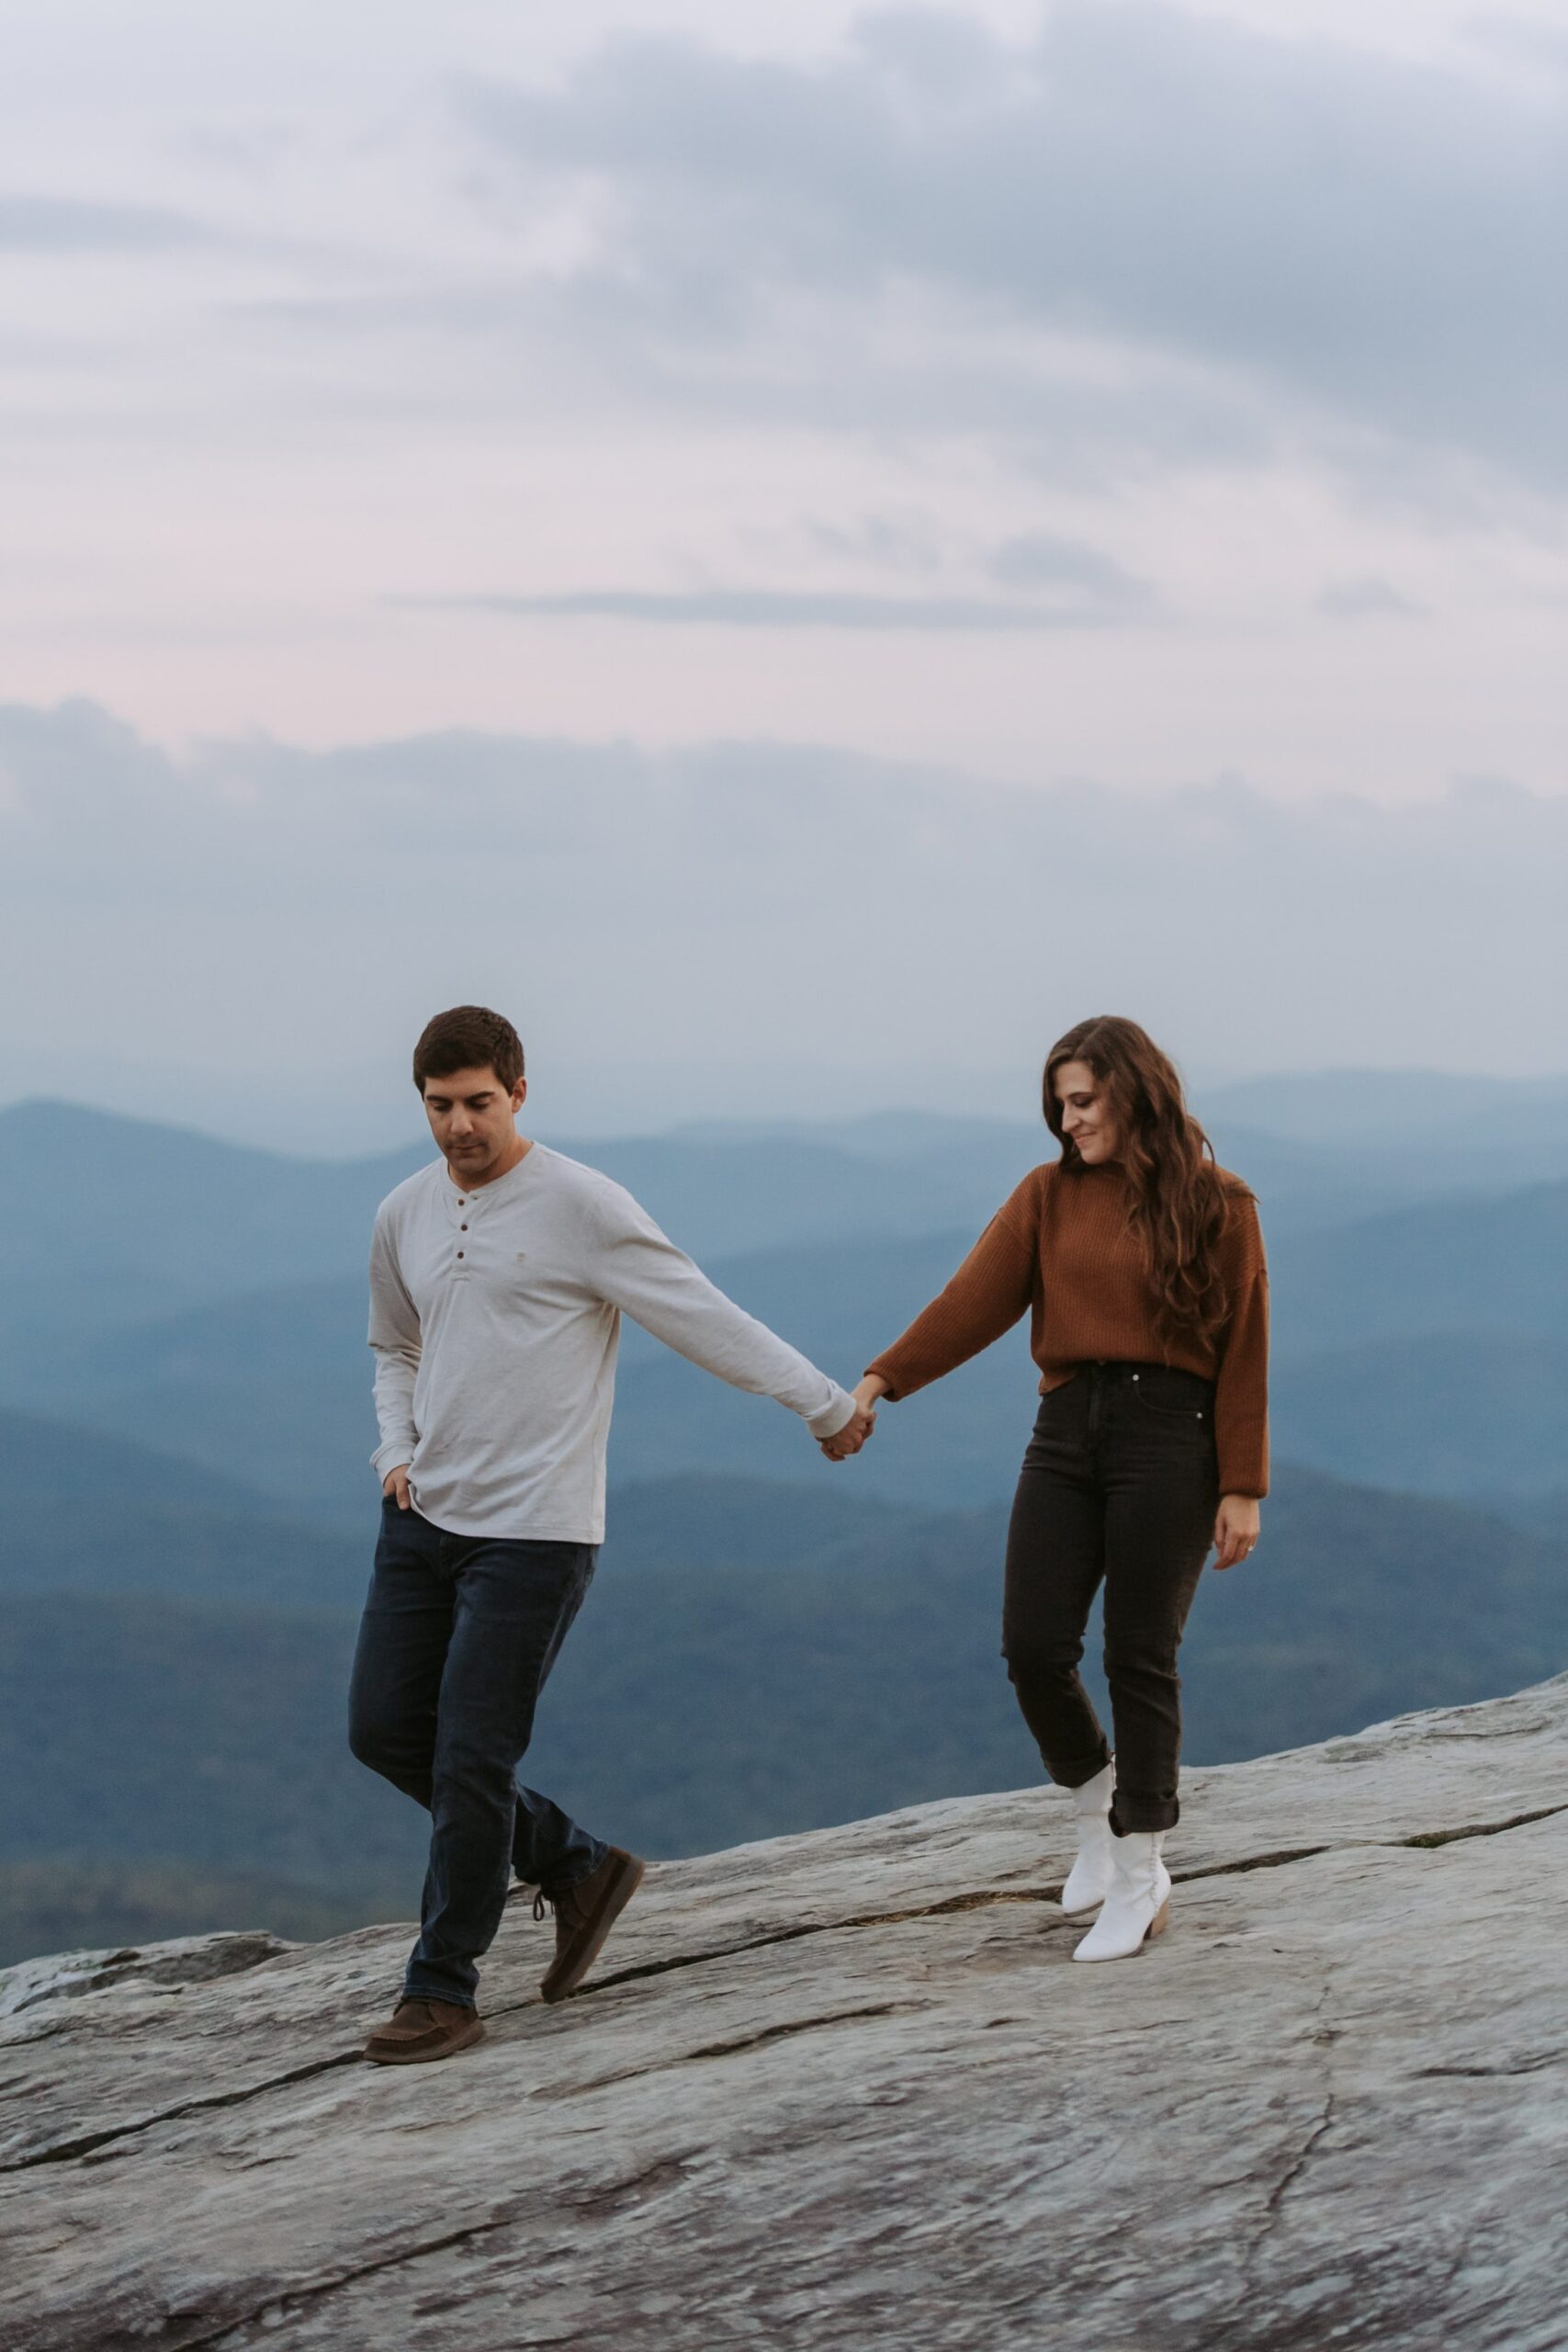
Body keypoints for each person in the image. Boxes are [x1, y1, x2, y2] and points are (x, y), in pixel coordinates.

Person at [349, 1005, 874, 2063]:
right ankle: (579, 1865)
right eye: (441, 1107)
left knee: (470, 1758)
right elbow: (393, 1345)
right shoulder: (402, 1211)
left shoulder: (581, 1205)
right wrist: (393, 1451)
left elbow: (699, 1311)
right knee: (382, 1730)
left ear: (520, 1092)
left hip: (535, 1534)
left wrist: (822, 1404)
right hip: (421, 1514)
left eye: (479, 1103)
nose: (460, 1127)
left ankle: (442, 1988)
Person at [833, 1016, 1268, 1962]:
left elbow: (1245, 1350)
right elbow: (973, 1302)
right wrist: (881, 1379)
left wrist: (1244, 1484)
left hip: (1172, 1439)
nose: (1067, 1122)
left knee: (1140, 1656)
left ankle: (1143, 1865)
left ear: (1134, 1092)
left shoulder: (1221, 1202)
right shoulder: (1047, 1196)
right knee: (1033, 1646)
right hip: (1067, 1430)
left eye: (1082, 1102)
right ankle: (1095, 1814)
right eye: (1059, 1105)